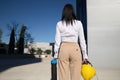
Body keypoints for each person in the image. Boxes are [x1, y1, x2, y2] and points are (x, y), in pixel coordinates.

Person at [53, 4, 88, 80]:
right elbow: (82, 40)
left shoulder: (59, 24)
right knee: (76, 75)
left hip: (63, 49)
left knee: (63, 74)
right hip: (75, 48)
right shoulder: (78, 23)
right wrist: (85, 55)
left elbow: (57, 41)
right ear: (73, 12)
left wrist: (55, 54)